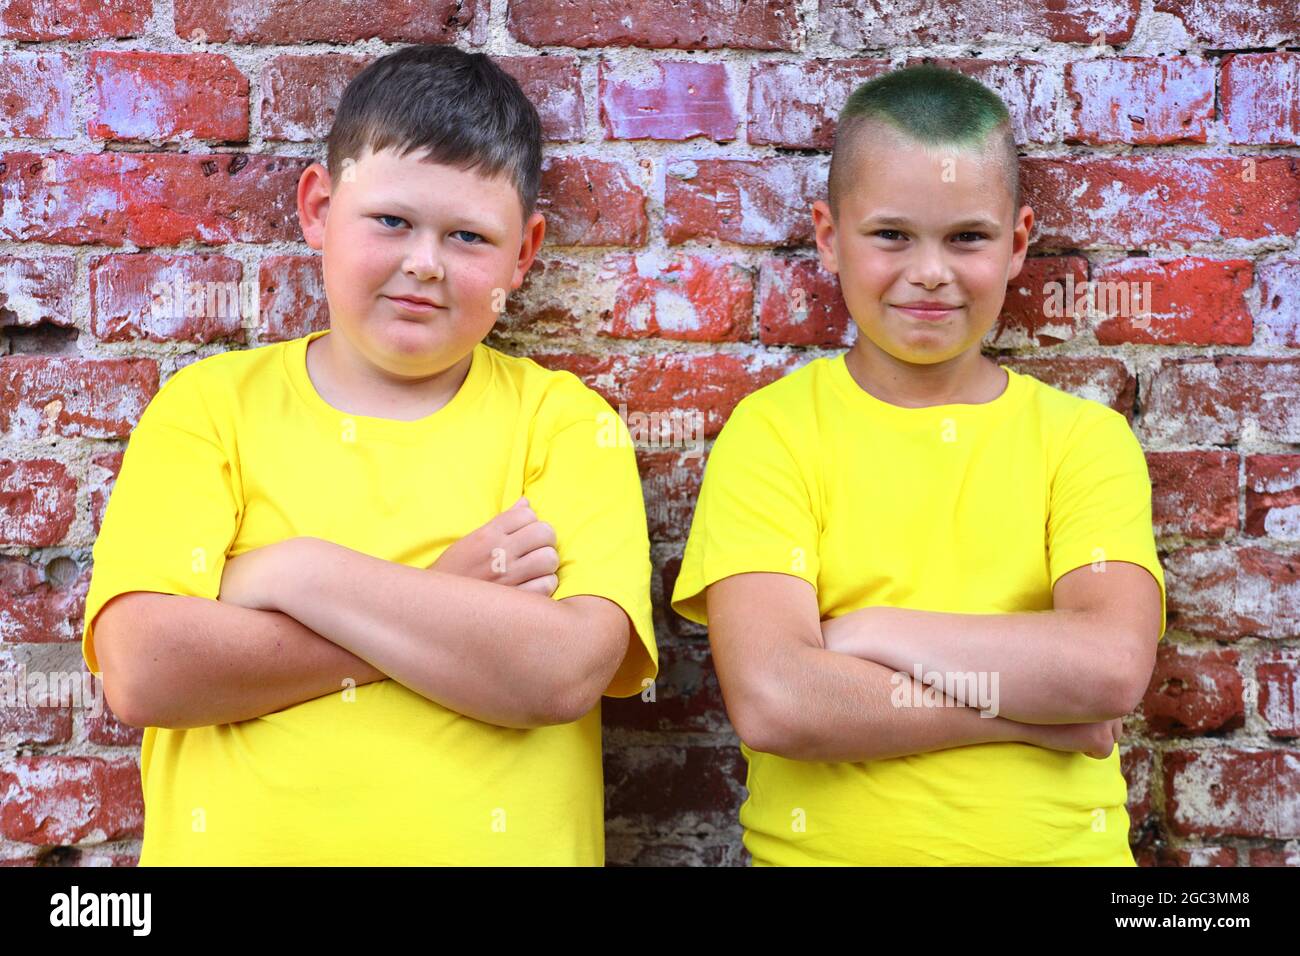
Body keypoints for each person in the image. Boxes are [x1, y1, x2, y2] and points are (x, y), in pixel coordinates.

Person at [82, 44, 658, 866]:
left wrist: (295, 575)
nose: (424, 263)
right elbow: (143, 672)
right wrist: (444, 603)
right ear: (318, 207)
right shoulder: (212, 410)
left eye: (468, 236)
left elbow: (561, 673)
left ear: (523, 254)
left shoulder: (564, 424)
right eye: (391, 221)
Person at [670, 64, 1166, 866]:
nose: (930, 271)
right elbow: (779, 702)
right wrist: (1023, 710)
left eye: (966, 237)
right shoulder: (775, 434)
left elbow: (1107, 672)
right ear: (830, 239)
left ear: (1018, 243)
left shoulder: (1081, 440)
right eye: (892, 235)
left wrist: (867, 633)